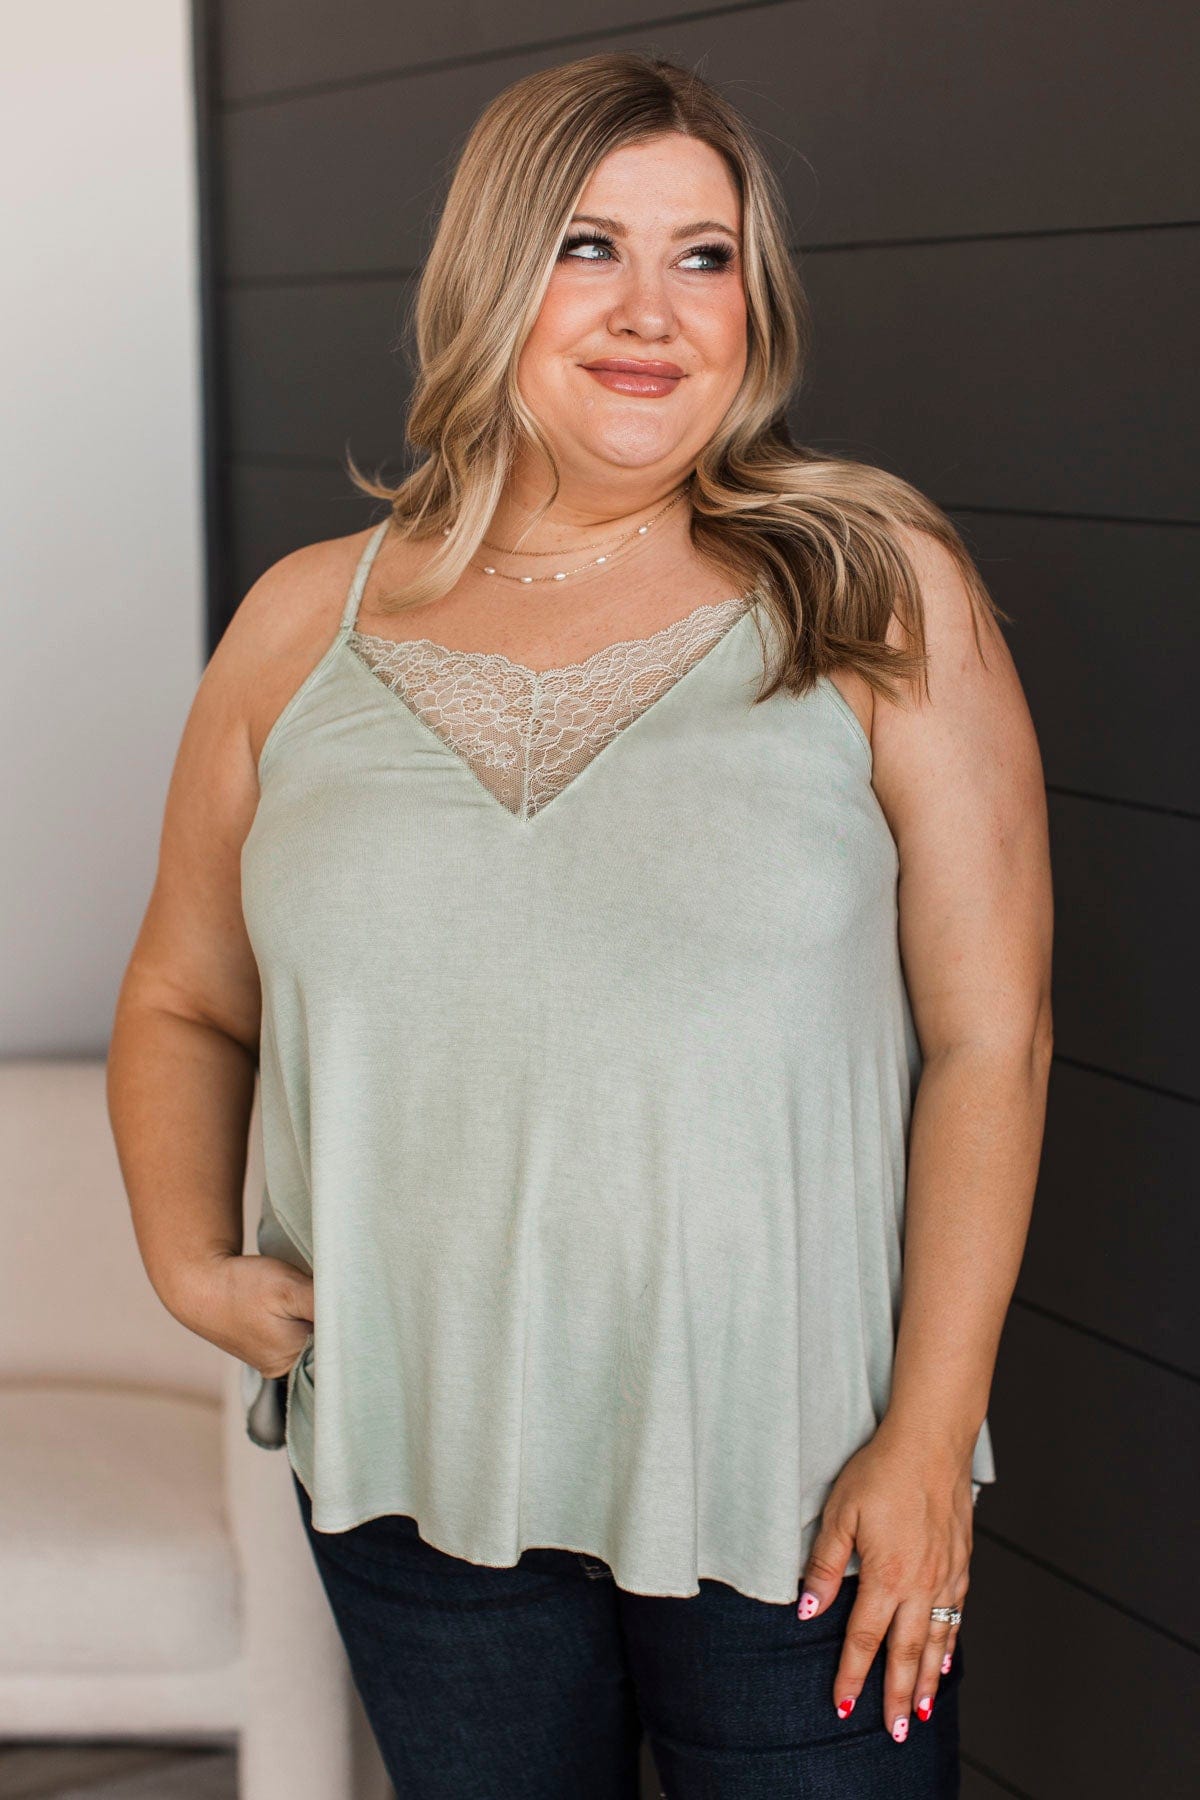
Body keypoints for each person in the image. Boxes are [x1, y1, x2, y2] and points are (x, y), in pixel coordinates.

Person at [107, 49, 1053, 1800]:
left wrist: (929, 1440)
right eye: (588, 246)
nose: (651, 312)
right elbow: (181, 994)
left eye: (705, 257)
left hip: (799, 1483)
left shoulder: (871, 586)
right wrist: (185, 1260)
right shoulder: (303, 625)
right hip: (415, 1472)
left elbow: (995, 1036)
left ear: (755, 305)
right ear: (490, 274)